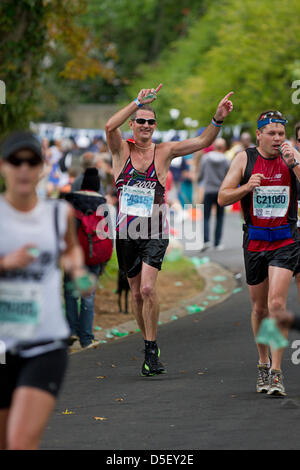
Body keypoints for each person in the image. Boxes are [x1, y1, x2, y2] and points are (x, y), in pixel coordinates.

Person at [105, 85, 234, 376]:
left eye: (151, 122)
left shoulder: (164, 152)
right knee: (137, 295)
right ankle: (147, 340)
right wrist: (137, 102)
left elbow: (202, 141)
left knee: (149, 288)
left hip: (154, 231)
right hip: (127, 234)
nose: (146, 126)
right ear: (132, 125)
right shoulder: (120, 150)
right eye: (141, 121)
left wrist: (218, 118)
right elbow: (109, 125)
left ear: (155, 126)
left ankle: (151, 349)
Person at [0, 131, 94, 449]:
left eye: (31, 161)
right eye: (16, 161)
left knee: (21, 441)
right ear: (3, 166)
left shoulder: (57, 213)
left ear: (42, 167)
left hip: (45, 343)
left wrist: (77, 270)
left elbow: (69, 250)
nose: (24, 169)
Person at [218, 110, 300, 397]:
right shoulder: (245, 158)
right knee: (259, 308)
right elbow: (222, 196)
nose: (278, 138)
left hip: (285, 241)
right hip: (254, 242)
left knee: (277, 304)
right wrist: (246, 186)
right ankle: (263, 362)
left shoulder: (292, 158)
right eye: (272, 133)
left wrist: (296, 164)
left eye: (281, 133)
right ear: (259, 135)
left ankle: (277, 372)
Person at [64, 168, 112, 348]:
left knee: (70, 293)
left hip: (72, 256)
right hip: (93, 256)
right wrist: (104, 262)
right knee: (88, 296)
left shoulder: (71, 202)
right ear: (97, 186)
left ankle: (71, 331)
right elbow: (108, 235)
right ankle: (86, 338)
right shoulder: (103, 206)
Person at [198, 137, 230, 251]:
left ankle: (206, 241)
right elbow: (229, 176)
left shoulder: (205, 158)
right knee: (220, 217)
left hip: (208, 190)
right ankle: (217, 243)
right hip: (221, 191)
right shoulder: (226, 160)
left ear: (214, 146)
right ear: (224, 147)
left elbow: (200, 174)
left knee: (206, 217)